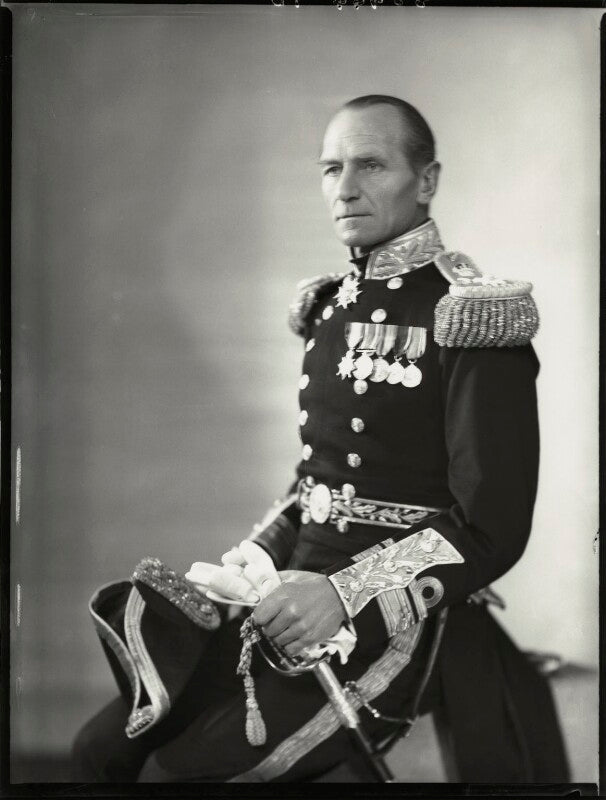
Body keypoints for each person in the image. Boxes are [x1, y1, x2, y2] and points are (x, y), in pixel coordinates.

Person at [72, 95, 569, 783]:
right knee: (98, 751)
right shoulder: (328, 306)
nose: (345, 188)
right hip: (286, 602)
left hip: (394, 627)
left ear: (427, 180)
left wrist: (341, 594)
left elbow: (491, 525)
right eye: (331, 168)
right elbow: (321, 485)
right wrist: (256, 555)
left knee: (175, 775)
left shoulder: (470, 315)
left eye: (371, 165)